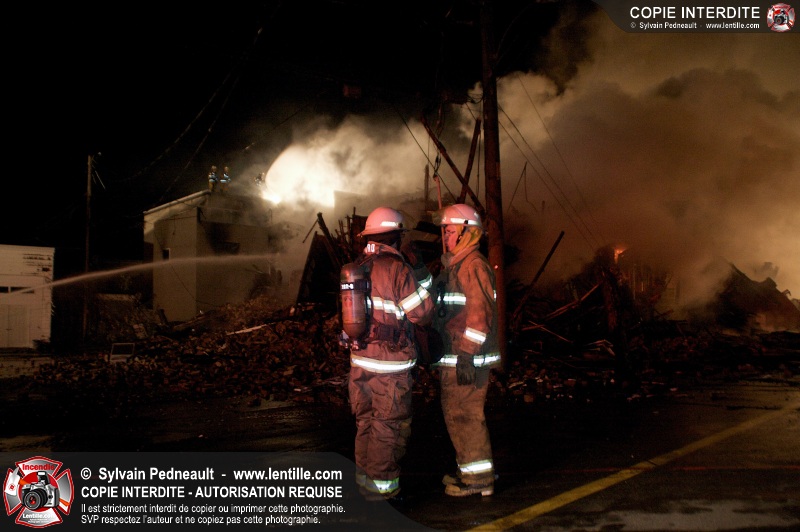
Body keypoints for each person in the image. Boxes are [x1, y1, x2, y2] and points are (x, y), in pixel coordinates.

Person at [346, 206, 434, 501]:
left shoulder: (357, 266)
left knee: (365, 423)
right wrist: (419, 271)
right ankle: (382, 492)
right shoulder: (397, 268)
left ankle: (364, 484)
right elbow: (422, 313)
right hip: (390, 366)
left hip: (360, 362)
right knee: (388, 427)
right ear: (395, 236)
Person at [432, 203, 501, 497]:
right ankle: (471, 470)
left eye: (449, 231)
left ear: (466, 232)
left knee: (465, 417)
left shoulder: (473, 266)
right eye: (445, 232)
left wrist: (466, 354)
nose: (445, 237)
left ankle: (478, 481)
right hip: (460, 357)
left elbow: (480, 315)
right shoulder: (458, 266)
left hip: (466, 358)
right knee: (459, 416)